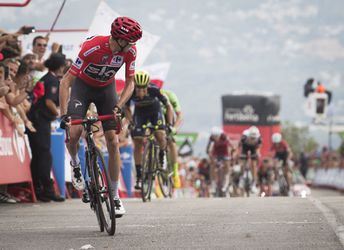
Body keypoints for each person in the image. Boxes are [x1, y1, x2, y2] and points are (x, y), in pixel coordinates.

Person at [59, 16, 142, 217]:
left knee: (113, 142)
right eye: (129, 41)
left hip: (106, 90)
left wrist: (119, 106)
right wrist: (64, 115)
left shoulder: (129, 51)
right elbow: (66, 81)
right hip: (82, 88)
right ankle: (76, 164)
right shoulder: (92, 47)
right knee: (75, 131)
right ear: (118, 39)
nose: (132, 45)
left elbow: (130, 82)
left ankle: (114, 196)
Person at [123, 70, 173, 190]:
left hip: (155, 112)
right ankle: (140, 177)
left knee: (160, 134)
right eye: (138, 89)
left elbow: (168, 106)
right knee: (138, 141)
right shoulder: (132, 91)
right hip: (140, 114)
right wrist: (131, 122)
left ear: (147, 86)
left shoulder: (154, 89)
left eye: (143, 89)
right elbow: (126, 108)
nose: (140, 92)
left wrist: (170, 124)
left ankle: (162, 154)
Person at [27, 53, 66, 202]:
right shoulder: (52, 80)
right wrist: (60, 115)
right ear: (60, 66)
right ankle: (46, 189)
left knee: (38, 155)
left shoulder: (46, 78)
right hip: (39, 120)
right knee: (44, 155)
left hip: (38, 120)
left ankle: (39, 189)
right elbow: (50, 102)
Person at [161, 89, 183, 188]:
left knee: (171, 141)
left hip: (169, 118)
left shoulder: (171, 96)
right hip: (157, 116)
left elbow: (179, 115)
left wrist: (174, 128)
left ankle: (175, 171)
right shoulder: (153, 96)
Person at [206, 126, 233, 194]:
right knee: (212, 165)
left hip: (224, 153)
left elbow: (231, 146)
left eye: (216, 136)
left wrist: (232, 153)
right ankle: (213, 183)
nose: (215, 138)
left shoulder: (224, 136)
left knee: (227, 164)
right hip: (216, 153)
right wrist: (210, 157)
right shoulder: (211, 138)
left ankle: (226, 181)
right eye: (214, 137)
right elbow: (208, 149)